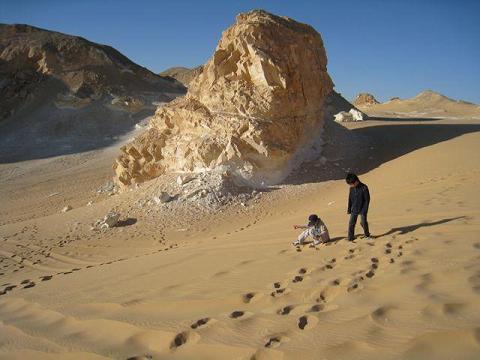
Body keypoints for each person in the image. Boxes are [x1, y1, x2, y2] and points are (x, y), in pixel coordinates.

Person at [345, 173, 371, 241]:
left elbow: (367, 200)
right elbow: (350, 199)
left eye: (351, 184)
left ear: (356, 181)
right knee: (351, 223)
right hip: (354, 208)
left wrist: (364, 210)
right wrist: (349, 209)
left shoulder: (364, 187)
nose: (351, 185)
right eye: (350, 184)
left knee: (363, 222)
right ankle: (350, 238)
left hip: (363, 209)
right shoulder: (351, 188)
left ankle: (367, 235)